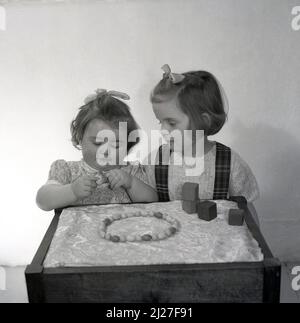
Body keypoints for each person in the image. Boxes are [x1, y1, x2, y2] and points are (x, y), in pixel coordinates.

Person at [36, 89, 157, 211]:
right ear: (79, 138)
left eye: (116, 145)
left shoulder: (131, 171)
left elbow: (154, 202)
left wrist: (131, 183)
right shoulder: (67, 171)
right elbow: (43, 200)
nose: (105, 151)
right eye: (98, 143)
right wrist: (72, 191)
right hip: (79, 230)